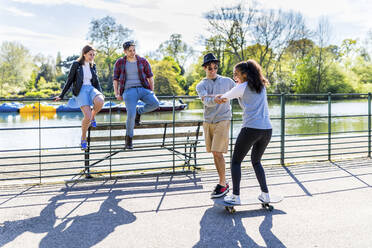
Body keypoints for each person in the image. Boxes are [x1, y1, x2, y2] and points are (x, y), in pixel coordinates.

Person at [216, 59, 272, 205]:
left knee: (236, 162)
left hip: (251, 129)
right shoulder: (261, 86)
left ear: (245, 74)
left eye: (237, 74)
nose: (235, 77)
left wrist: (219, 98)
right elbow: (234, 93)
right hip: (267, 130)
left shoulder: (242, 87)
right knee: (256, 161)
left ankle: (235, 196)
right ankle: (265, 194)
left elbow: (224, 97)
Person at [196, 53, 235, 198]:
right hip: (208, 122)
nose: (213, 70)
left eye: (215, 67)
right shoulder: (200, 85)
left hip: (223, 119)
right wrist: (215, 99)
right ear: (205, 68)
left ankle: (223, 184)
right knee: (214, 152)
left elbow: (239, 92)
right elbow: (206, 100)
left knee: (218, 152)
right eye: (210, 68)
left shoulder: (228, 81)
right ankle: (223, 183)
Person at [55, 45, 104, 152]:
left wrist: (100, 93)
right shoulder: (76, 65)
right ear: (84, 54)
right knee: (86, 116)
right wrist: (61, 95)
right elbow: (69, 80)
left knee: (100, 101)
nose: (92, 57)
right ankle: (83, 138)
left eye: (93, 55)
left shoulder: (93, 65)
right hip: (80, 90)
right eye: (90, 54)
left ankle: (93, 116)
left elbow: (96, 81)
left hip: (91, 89)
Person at [113, 40, 159, 149]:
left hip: (143, 89)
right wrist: (116, 93)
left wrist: (151, 91)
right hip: (128, 91)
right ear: (125, 51)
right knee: (131, 115)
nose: (132, 52)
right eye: (130, 51)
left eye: (134, 50)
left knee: (155, 103)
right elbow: (115, 79)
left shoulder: (143, 61)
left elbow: (150, 77)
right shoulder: (120, 62)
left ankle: (140, 111)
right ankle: (129, 139)